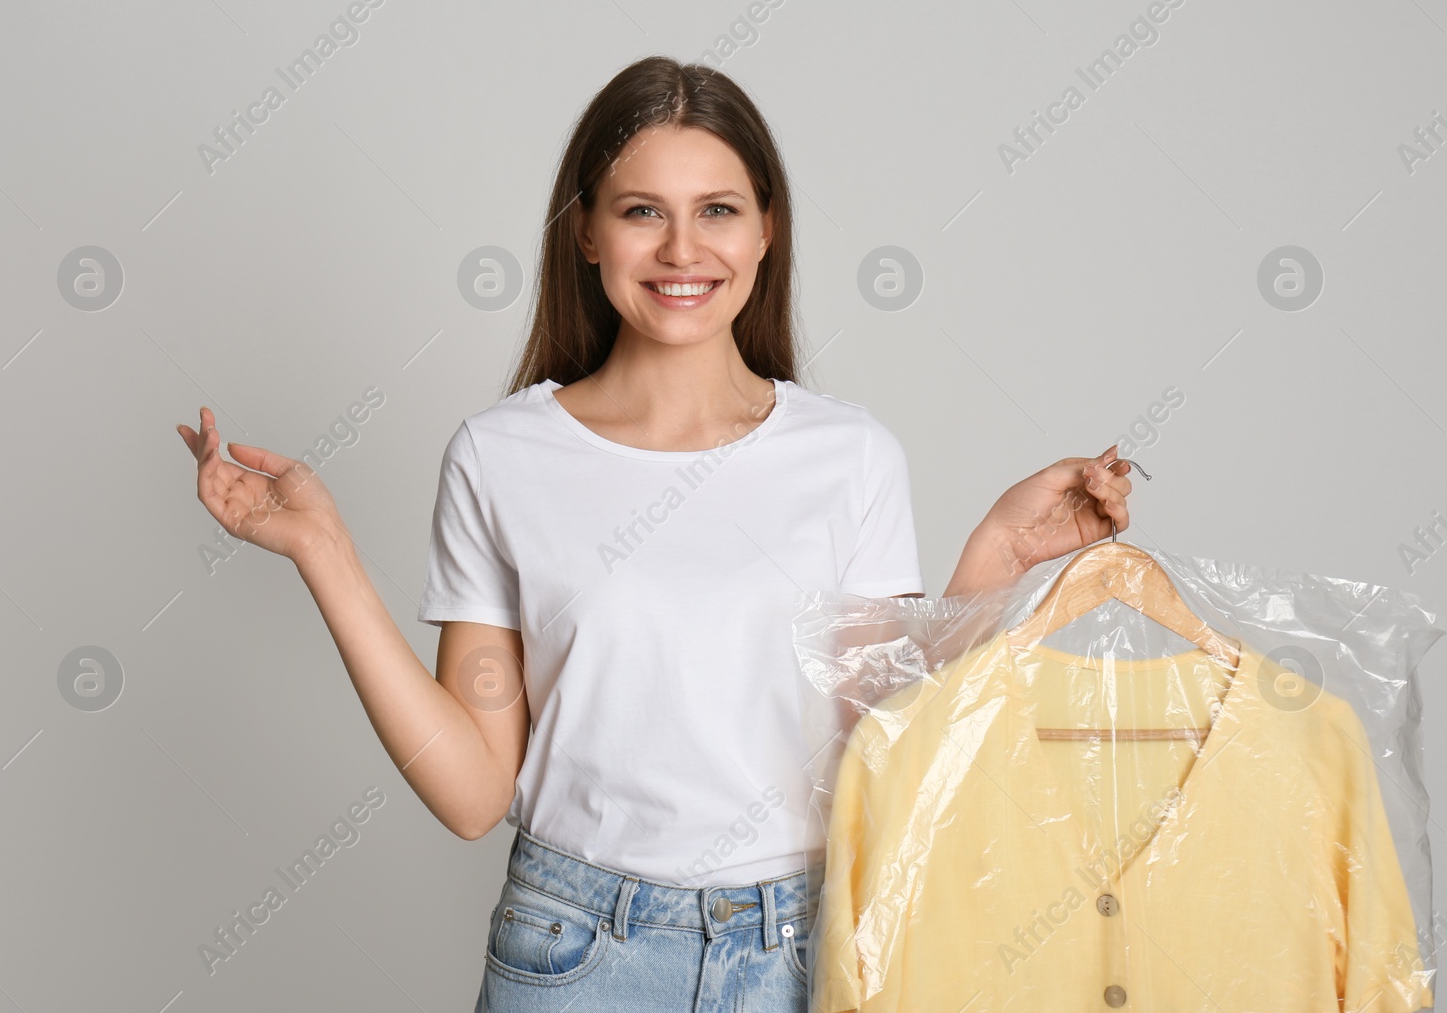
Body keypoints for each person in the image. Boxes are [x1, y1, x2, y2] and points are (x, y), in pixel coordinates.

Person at [175, 55, 1134, 1012]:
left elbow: (889, 753)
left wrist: (993, 566)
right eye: (642, 211)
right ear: (586, 233)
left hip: (801, 951)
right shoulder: (500, 457)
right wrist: (326, 553)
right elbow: (473, 792)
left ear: (767, 232)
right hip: (576, 949)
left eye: (717, 210)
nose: (682, 249)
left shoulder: (852, 456)